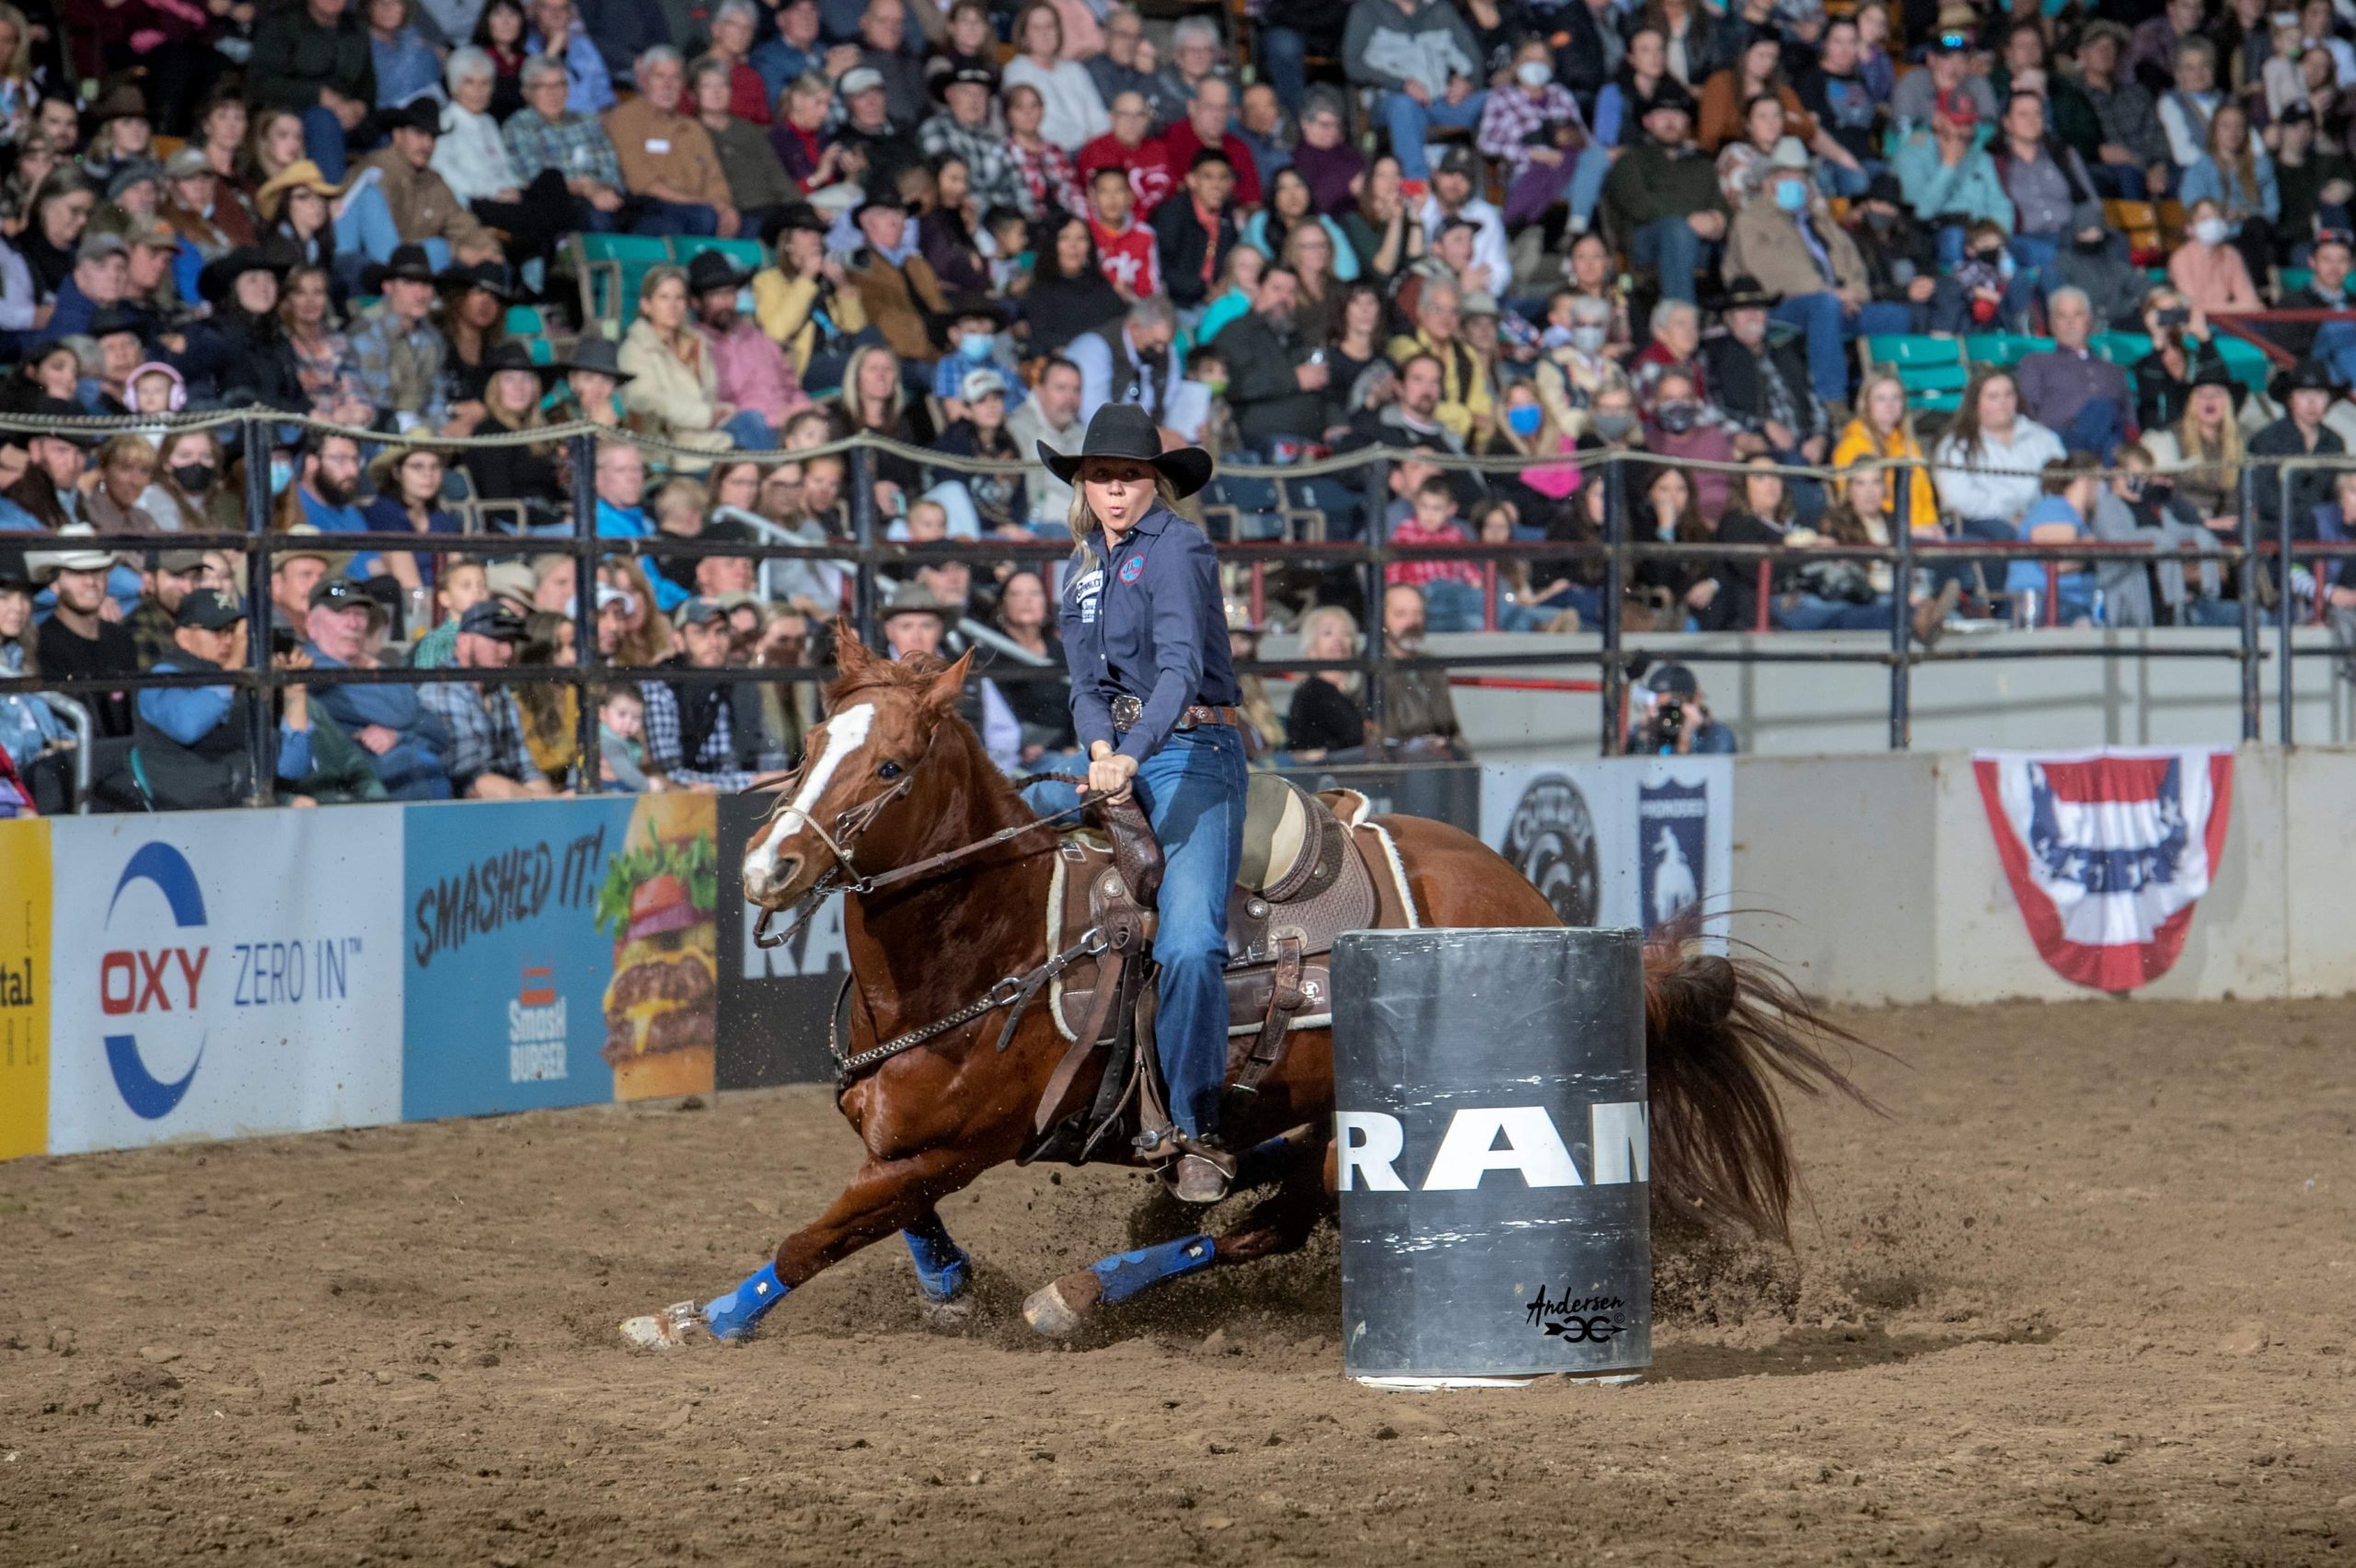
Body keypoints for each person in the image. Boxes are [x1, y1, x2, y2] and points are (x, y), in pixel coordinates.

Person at [1043, 402, 1241, 1202]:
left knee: (1189, 944)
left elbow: (1181, 668)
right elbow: (1084, 687)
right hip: (1115, 755)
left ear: (1155, 482)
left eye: (1129, 476)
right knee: (1008, 825)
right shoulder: (1081, 569)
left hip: (1193, 748)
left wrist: (1130, 753)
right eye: (1102, 477)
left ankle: (1198, 1127)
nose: (1116, 490)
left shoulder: (1179, 547)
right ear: (1084, 486)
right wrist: (1100, 750)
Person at [1724, 150, 1907, 413]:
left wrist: (1854, 292)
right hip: (1778, 305)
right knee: (1824, 305)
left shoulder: (1819, 220)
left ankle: (1884, 396)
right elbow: (1769, 273)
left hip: (1834, 303)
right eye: (1786, 175)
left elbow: (1852, 263)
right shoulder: (1751, 222)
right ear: (1769, 182)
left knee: (1894, 316)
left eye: (1800, 176)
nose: (1796, 182)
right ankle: (1831, 401)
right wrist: (1832, 294)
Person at [135, 590, 321, 810]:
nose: (230, 640)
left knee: (303, 805)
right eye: (217, 631)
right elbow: (187, 726)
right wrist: (233, 669)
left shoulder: (243, 683)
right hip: (185, 808)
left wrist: (295, 692)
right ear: (184, 636)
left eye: (233, 632)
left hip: (242, 802)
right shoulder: (162, 677)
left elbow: (293, 768)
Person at [305, 574, 455, 799]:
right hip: (353, 796)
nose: (353, 624)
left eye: (360, 614)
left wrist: (397, 735)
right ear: (311, 624)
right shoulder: (309, 669)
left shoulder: (373, 668)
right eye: (342, 613)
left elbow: (436, 730)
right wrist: (384, 677)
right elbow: (401, 712)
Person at [1600, 86, 1727, 304]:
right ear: (1647, 121)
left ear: (1687, 122)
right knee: (1677, 230)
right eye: (1662, 114)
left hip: (1702, 245)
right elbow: (1640, 205)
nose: (1670, 121)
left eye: (1677, 115)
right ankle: (1680, 314)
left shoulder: (1703, 165)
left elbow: (1720, 203)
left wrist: (1718, 220)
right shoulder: (1630, 160)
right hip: (1644, 241)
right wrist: (1691, 219)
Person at [417, 600, 556, 798]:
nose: (507, 652)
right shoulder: (442, 691)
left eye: (511, 642)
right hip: (459, 808)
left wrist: (551, 803)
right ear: (463, 641)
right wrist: (545, 802)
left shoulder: (498, 690)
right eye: (497, 640)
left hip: (505, 799)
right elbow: (470, 780)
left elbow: (525, 766)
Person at [1344, 0, 1486, 189]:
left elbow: (1473, 59)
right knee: (1404, 105)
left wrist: (1467, 82)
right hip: (1389, 100)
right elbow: (1353, 65)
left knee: (1495, 99)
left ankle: (1507, 188)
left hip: (1441, 100)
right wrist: (1401, 84)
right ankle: (1416, 190)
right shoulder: (1368, 10)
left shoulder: (1440, 10)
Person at [604, 45, 739, 237]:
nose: (668, 85)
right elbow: (641, 183)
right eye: (660, 76)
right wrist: (703, 203)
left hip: (698, 209)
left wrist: (725, 208)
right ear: (643, 80)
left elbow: (715, 180)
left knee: (750, 226)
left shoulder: (693, 128)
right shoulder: (625, 118)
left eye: (675, 78)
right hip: (647, 209)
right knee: (702, 217)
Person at [29, 527, 139, 739]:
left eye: (97, 570)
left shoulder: (121, 639)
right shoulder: (41, 645)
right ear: (54, 584)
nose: (90, 581)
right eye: (76, 572)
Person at [2016, 288, 2135, 460]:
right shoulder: (2036, 363)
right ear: (2052, 323)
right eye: (2062, 316)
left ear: (2089, 321)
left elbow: (2130, 422)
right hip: (2058, 443)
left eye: (2077, 314)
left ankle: (2091, 466)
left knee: (2112, 435)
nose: (2070, 322)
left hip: (2110, 445)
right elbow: (2026, 413)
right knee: (2104, 409)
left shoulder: (2113, 371)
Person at [2250, 360, 2348, 549]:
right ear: (2290, 399)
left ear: (2329, 400)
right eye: (2303, 393)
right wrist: (2306, 519)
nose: (2312, 402)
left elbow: (2337, 494)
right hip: (2277, 530)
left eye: (2320, 393)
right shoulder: (2266, 439)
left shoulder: (2334, 442)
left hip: (2324, 530)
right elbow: (2262, 497)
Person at [2010, 454, 2104, 625]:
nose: (2102, 488)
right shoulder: (2053, 507)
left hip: (2078, 602)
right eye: (2099, 480)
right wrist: (2091, 545)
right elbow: (2058, 562)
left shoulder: (2078, 518)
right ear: (2084, 480)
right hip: (2046, 602)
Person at [1152, 149, 1242, 314]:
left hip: (1216, 300)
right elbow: (1160, 268)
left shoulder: (1228, 215)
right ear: (1192, 180)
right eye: (1208, 177)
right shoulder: (1172, 214)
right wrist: (1203, 290)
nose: (1217, 185)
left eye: (1223, 178)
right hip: (1175, 303)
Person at [2047, 201, 2150, 330]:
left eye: (2096, 231)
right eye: (2085, 231)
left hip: (2120, 321)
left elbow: (2138, 283)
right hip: (2083, 326)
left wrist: (2136, 302)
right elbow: (2064, 298)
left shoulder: (2112, 256)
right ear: (2076, 234)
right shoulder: (2065, 262)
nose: (2091, 236)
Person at [2169, 196, 2263, 313]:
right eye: (2204, 218)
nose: (2212, 223)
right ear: (2189, 229)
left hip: (2228, 319)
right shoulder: (2181, 259)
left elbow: (2250, 301)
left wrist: (2240, 307)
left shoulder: (2231, 254)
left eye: (2217, 218)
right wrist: (2236, 308)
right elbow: (2192, 307)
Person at [1627, 663, 1735, 753]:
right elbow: (1632, 768)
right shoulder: (1644, 730)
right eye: (1662, 706)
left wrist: (1688, 736)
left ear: (1696, 700)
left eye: (1675, 705)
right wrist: (1644, 735)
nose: (1670, 715)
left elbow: (1711, 769)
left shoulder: (1717, 735)